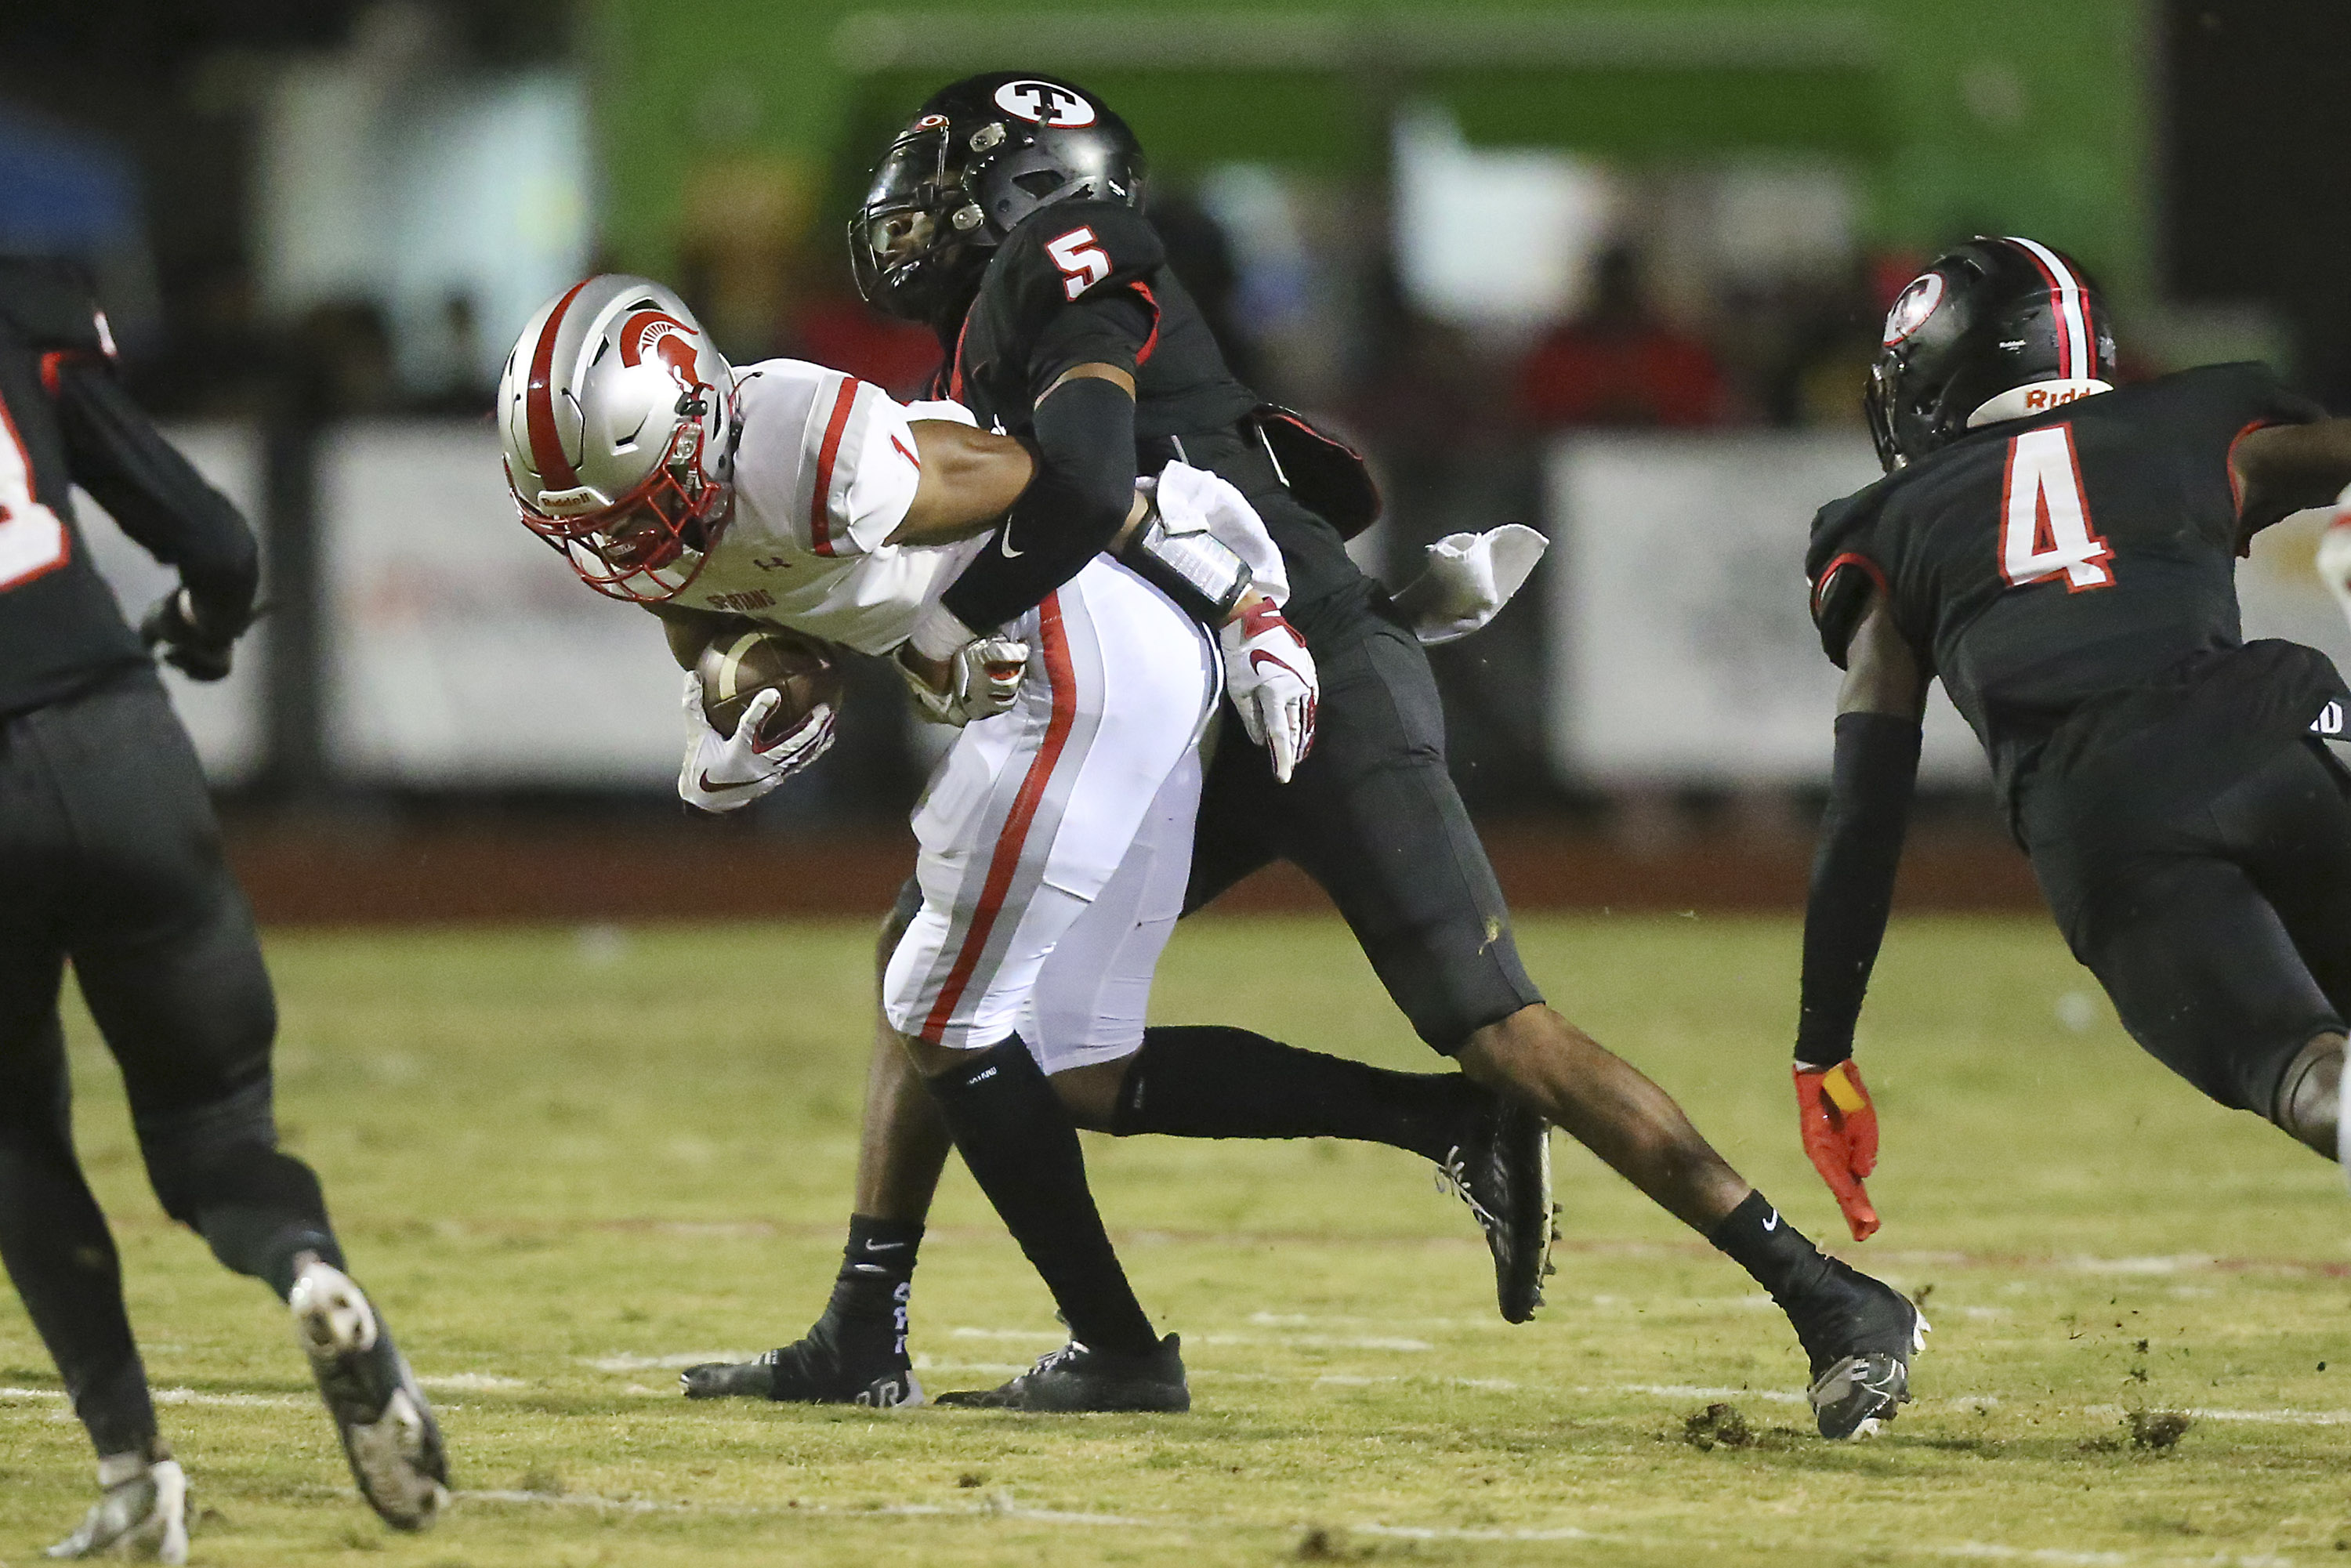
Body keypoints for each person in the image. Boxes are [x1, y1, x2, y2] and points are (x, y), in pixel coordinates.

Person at [690, 71, 1923, 1439]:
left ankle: (1829, 1295)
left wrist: (948, 633)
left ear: (1027, 187)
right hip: (1189, 705)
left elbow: (1092, 486)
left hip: (1309, 671)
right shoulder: (982, 342)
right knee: (992, 1002)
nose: (910, 210)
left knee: (1495, 1020)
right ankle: (895, 1311)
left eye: (943, 174)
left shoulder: (1067, 260)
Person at [501, 273, 1364, 1411]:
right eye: (597, 518)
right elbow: (709, 614)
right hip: (999, 675)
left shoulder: (818, 452)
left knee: (950, 1012)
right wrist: (743, 693)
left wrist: (1249, 606)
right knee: (919, 970)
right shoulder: (637, 501)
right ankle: (868, 1324)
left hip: (1081, 638)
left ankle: (1120, 1348)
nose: (620, 537)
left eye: (635, 500)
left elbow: (1083, 489)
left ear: (699, 419)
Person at [0, 257, 447, 1561]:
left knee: (16, 1136)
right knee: (210, 1128)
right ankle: (308, 1268)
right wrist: (201, 624)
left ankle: (137, 1471)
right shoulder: (21, 316)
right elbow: (220, 543)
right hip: (117, 739)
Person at [1793, 236, 2351, 1246]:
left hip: (2102, 816)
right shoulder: (2198, 414)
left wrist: (1820, 1048)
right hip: (2274, 726)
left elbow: (1868, 801)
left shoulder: (1885, 522)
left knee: (2309, 1075)